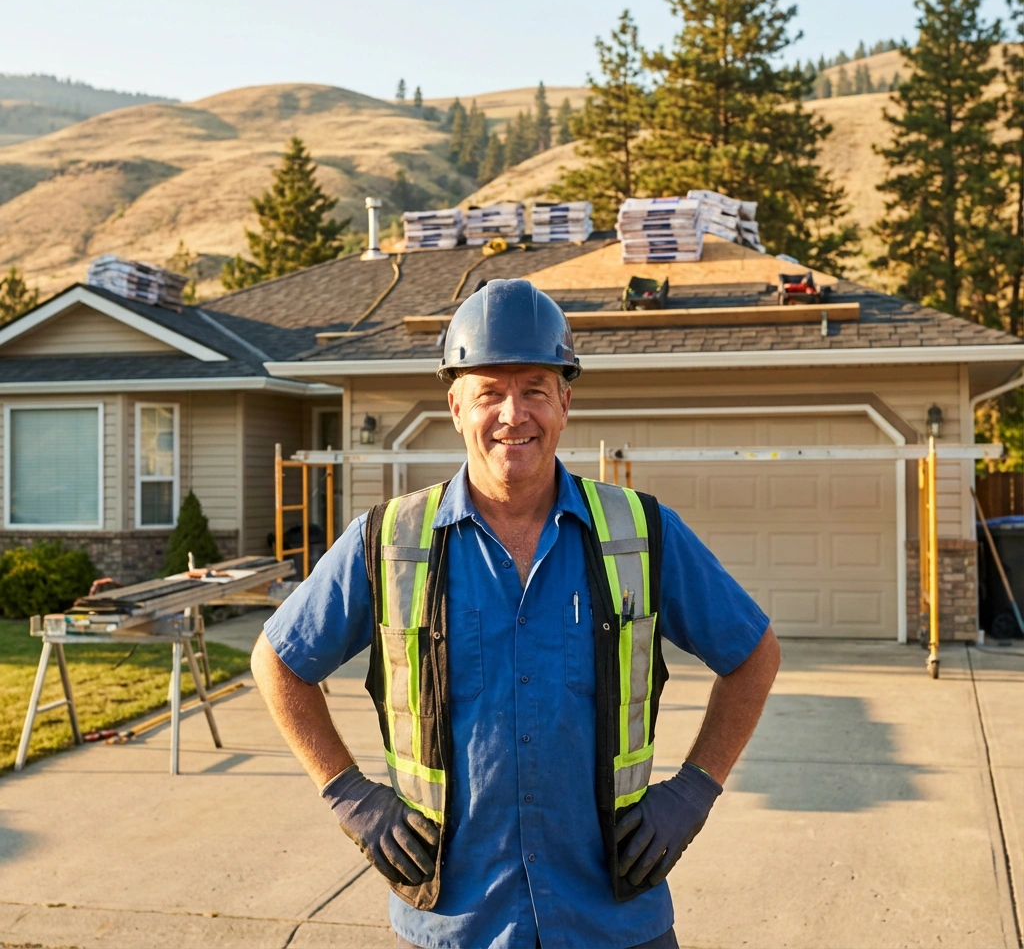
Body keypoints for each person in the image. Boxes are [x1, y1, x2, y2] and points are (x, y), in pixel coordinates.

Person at [252, 278, 780, 949]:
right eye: (490, 392)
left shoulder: (643, 532)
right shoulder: (388, 542)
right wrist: (350, 797)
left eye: (534, 388)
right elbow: (277, 663)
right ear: (455, 405)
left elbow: (753, 655)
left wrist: (693, 793)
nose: (513, 414)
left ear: (566, 401)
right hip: (455, 921)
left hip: (614, 918)